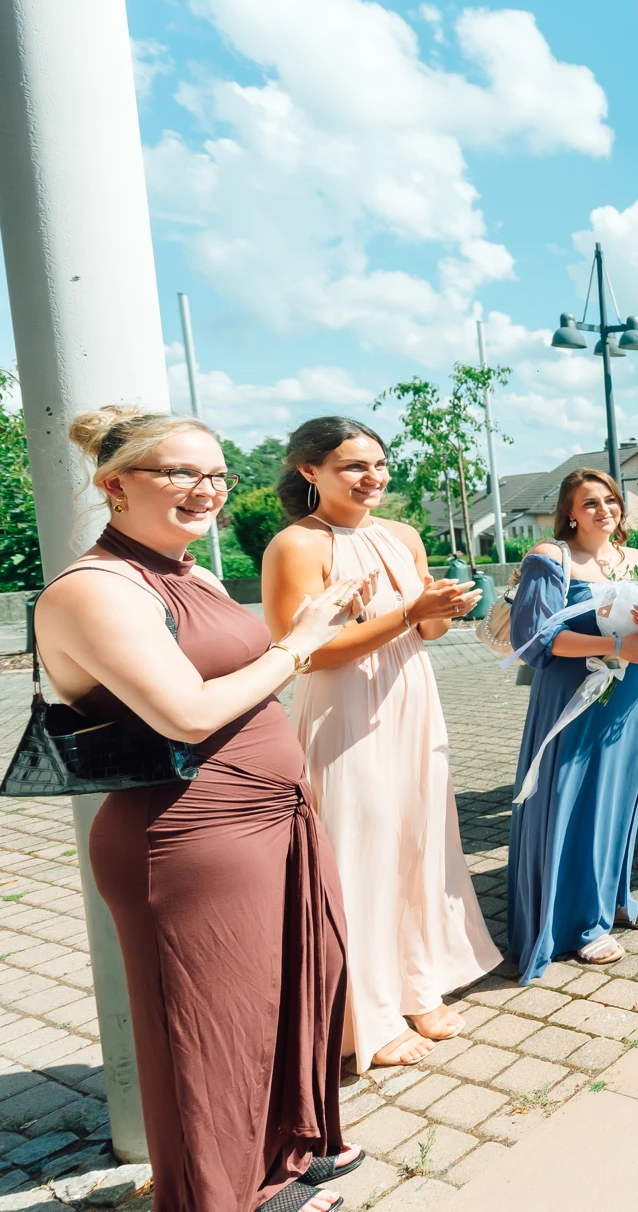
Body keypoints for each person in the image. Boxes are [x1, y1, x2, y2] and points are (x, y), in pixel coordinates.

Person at [35, 408, 365, 1212]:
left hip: (266, 817)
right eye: (180, 472)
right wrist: (302, 640)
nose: (206, 489)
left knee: (284, 999)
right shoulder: (93, 589)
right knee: (207, 1037)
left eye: (216, 473)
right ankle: (220, 1197)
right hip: (188, 838)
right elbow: (186, 714)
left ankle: (279, 1156)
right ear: (116, 486)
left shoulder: (194, 572)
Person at [263, 417, 500, 1071]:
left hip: (412, 701)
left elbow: (422, 636)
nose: (373, 478)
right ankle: (357, 1015)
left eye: (379, 464)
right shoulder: (296, 546)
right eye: (353, 466)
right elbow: (304, 654)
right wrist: (407, 613)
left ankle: (415, 983)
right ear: (310, 472)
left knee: (417, 846)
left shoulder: (402, 536)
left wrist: (438, 611)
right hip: (345, 712)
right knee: (358, 856)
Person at [507, 468, 638, 978]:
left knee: (623, 800)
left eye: (610, 500)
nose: (604, 510)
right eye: (590, 503)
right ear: (569, 512)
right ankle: (579, 921)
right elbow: (534, 640)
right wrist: (613, 646)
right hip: (574, 696)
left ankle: (617, 897)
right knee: (576, 798)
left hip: (635, 693)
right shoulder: (550, 558)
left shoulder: (637, 560)